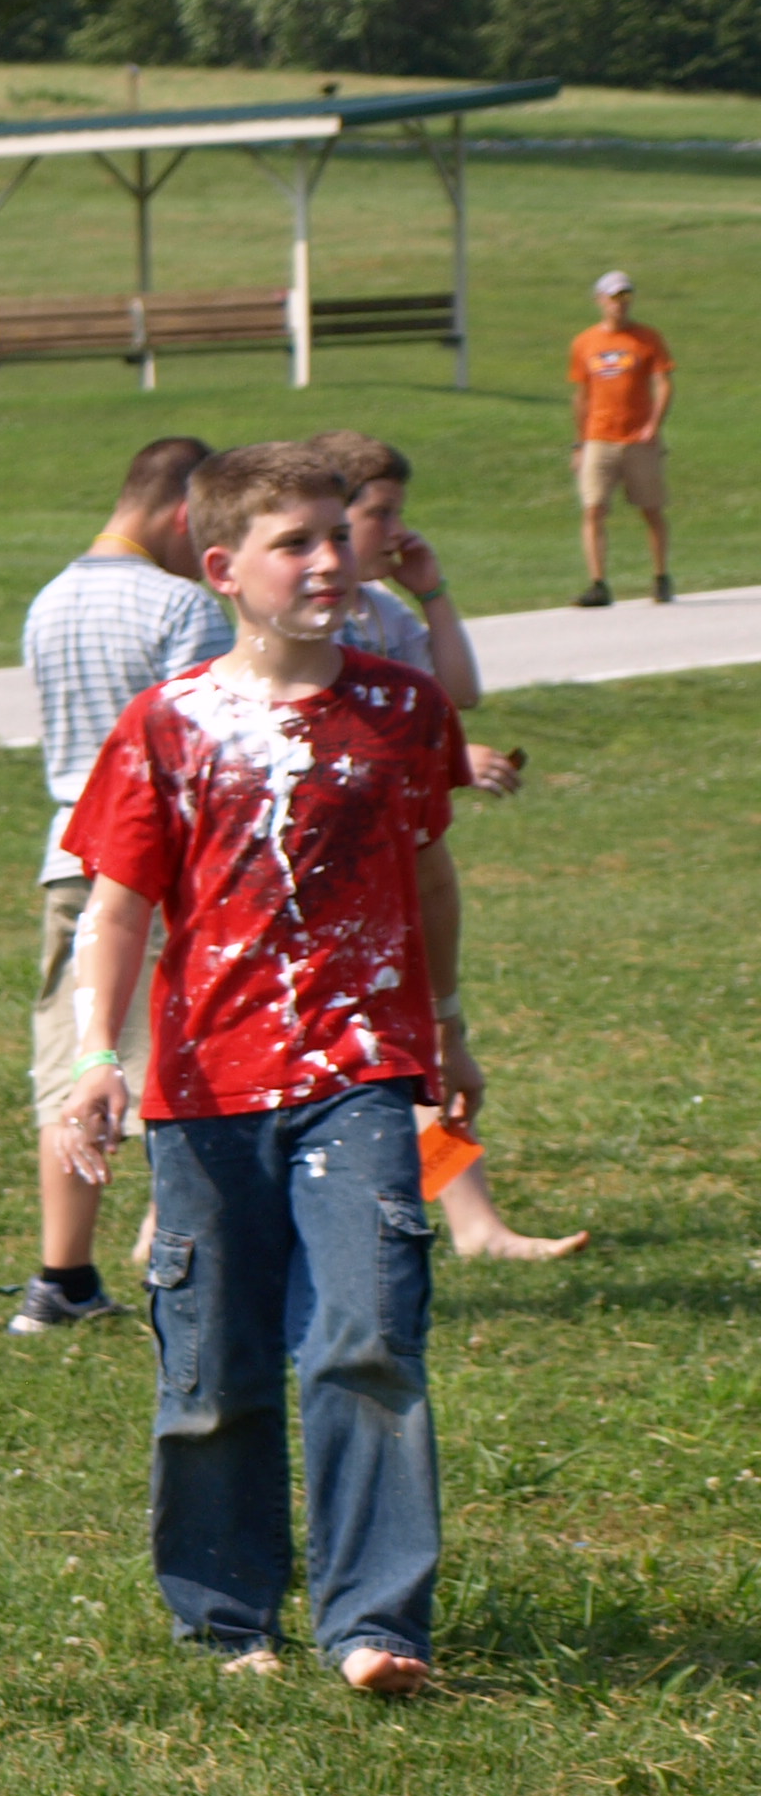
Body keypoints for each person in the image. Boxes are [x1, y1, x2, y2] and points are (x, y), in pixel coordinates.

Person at [53, 442, 476, 1699]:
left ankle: (375, 1620)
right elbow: (117, 909)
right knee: (212, 1368)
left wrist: (451, 1023)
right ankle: (226, 1616)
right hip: (205, 1090)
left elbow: (432, 873)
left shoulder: (405, 710)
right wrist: (96, 1058)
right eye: (295, 543)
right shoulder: (170, 722)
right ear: (224, 568)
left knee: (369, 1340)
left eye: (339, 535)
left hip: (363, 1076)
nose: (329, 561)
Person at [316, 429, 586, 1267]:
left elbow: (457, 693)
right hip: (329, 877)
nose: (398, 530)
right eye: (381, 514)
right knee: (374, 1044)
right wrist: (445, 761)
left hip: (390, 866)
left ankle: (473, 1222)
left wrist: (432, 591)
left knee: (409, 1041)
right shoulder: (310, 623)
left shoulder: (382, 612)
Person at [6, 435, 229, 1335]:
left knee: (76, 1061)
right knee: (179, 1066)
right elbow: (202, 746)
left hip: (69, 854)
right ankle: (200, 1265)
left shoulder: (50, 599)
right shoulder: (183, 606)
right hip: (156, 865)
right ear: (181, 513)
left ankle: (61, 1276)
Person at [568, 273, 671, 607]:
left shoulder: (647, 338)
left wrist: (653, 425)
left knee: (651, 509)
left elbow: (663, 383)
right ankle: (598, 583)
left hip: (638, 438)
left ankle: (661, 576)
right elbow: (582, 395)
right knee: (593, 508)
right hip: (599, 436)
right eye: (614, 298)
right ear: (600, 300)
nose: (620, 304)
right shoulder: (585, 342)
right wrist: (580, 443)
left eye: (625, 297)